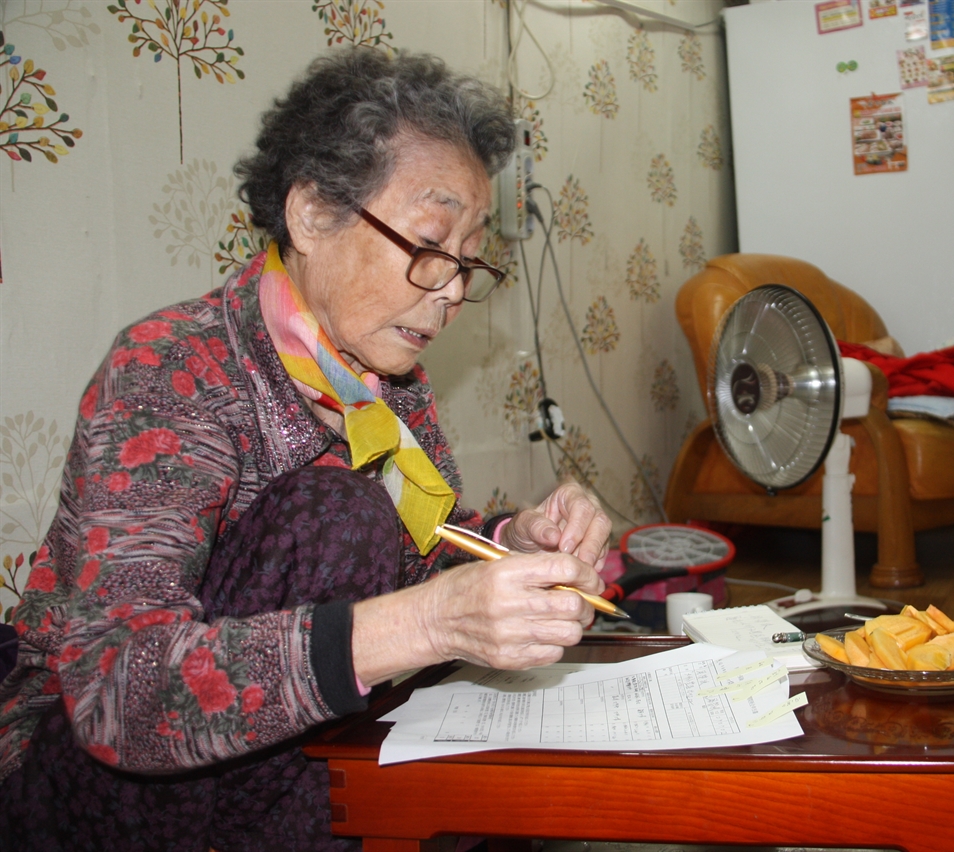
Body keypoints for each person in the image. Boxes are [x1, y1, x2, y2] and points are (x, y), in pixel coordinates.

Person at [0, 49, 610, 851]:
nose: (454, 292)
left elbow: (418, 557)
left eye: (468, 262)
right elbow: (121, 694)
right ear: (314, 213)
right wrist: (427, 626)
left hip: (277, 775)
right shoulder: (171, 368)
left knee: (514, 810)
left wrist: (507, 545)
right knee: (337, 511)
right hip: (90, 792)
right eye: (429, 245)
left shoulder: (382, 386)